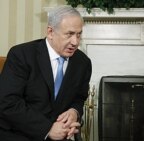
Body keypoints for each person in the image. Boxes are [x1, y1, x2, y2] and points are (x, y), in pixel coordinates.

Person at [0, 6, 92, 141]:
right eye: (69, 34)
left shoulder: (83, 63)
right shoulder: (21, 55)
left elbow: (79, 98)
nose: (75, 42)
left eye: (79, 34)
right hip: (18, 133)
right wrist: (47, 129)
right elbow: (8, 103)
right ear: (50, 32)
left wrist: (74, 112)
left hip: (59, 136)